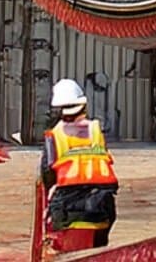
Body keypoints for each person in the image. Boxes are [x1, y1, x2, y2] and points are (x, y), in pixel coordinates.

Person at [41, 78, 120, 247]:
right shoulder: (95, 130)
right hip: (101, 206)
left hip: (68, 208)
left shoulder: (54, 136)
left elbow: (47, 173)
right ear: (83, 105)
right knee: (99, 247)